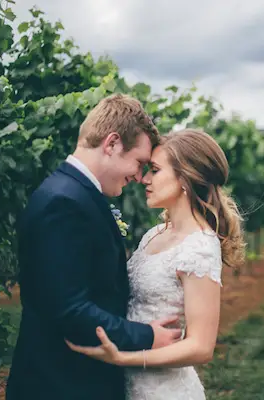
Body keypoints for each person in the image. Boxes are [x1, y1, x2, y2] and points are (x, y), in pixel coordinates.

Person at [5, 94, 183, 400]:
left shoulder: (73, 193)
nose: (140, 177)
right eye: (139, 163)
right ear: (112, 144)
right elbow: (70, 311)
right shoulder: (64, 202)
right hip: (61, 385)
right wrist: (147, 336)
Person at [66, 128, 246, 399]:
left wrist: (124, 359)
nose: (144, 179)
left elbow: (201, 347)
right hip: (125, 385)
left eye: (155, 170)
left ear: (185, 178)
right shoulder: (154, 235)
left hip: (163, 390)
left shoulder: (199, 248)